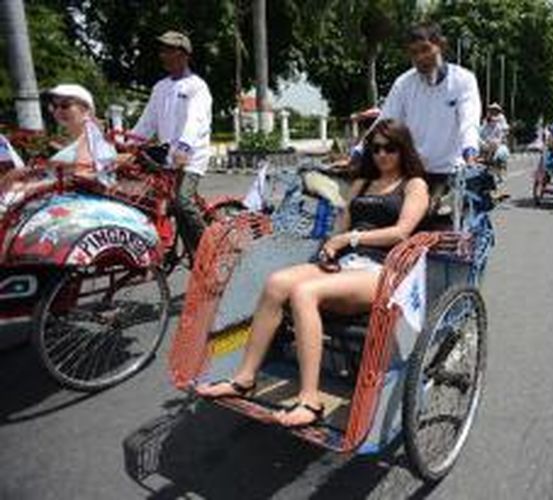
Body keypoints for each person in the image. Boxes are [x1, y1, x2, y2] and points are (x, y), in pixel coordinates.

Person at [196, 119, 430, 427]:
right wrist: (331, 247)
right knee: (277, 282)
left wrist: (350, 239)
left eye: (390, 148)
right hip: (346, 265)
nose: (382, 155)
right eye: (375, 148)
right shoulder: (361, 184)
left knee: (304, 292)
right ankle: (244, 378)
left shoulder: (414, 185)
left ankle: (310, 401)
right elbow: (339, 228)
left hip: (380, 270)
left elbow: (401, 233)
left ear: (403, 149)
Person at [374, 22, 482, 208]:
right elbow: (384, 123)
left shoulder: (463, 80)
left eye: (425, 49)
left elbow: (469, 123)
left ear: (441, 45)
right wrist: (358, 153)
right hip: (414, 174)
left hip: (451, 174)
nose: (420, 58)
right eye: (414, 53)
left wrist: (470, 154)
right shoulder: (404, 84)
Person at [131, 30, 213, 260]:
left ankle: (210, 248)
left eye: (170, 50)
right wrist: (128, 142)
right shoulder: (160, 87)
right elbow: (147, 122)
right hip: (167, 156)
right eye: (163, 50)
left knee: (183, 203)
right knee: (145, 198)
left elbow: (195, 121)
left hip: (191, 155)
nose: (164, 55)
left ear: (184, 54)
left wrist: (184, 148)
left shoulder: (197, 87)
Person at [46, 84, 117, 185]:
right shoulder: (81, 140)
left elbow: (83, 177)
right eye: (54, 106)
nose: (58, 111)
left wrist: (34, 187)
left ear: (86, 111)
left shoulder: (91, 138)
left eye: (65, 105)